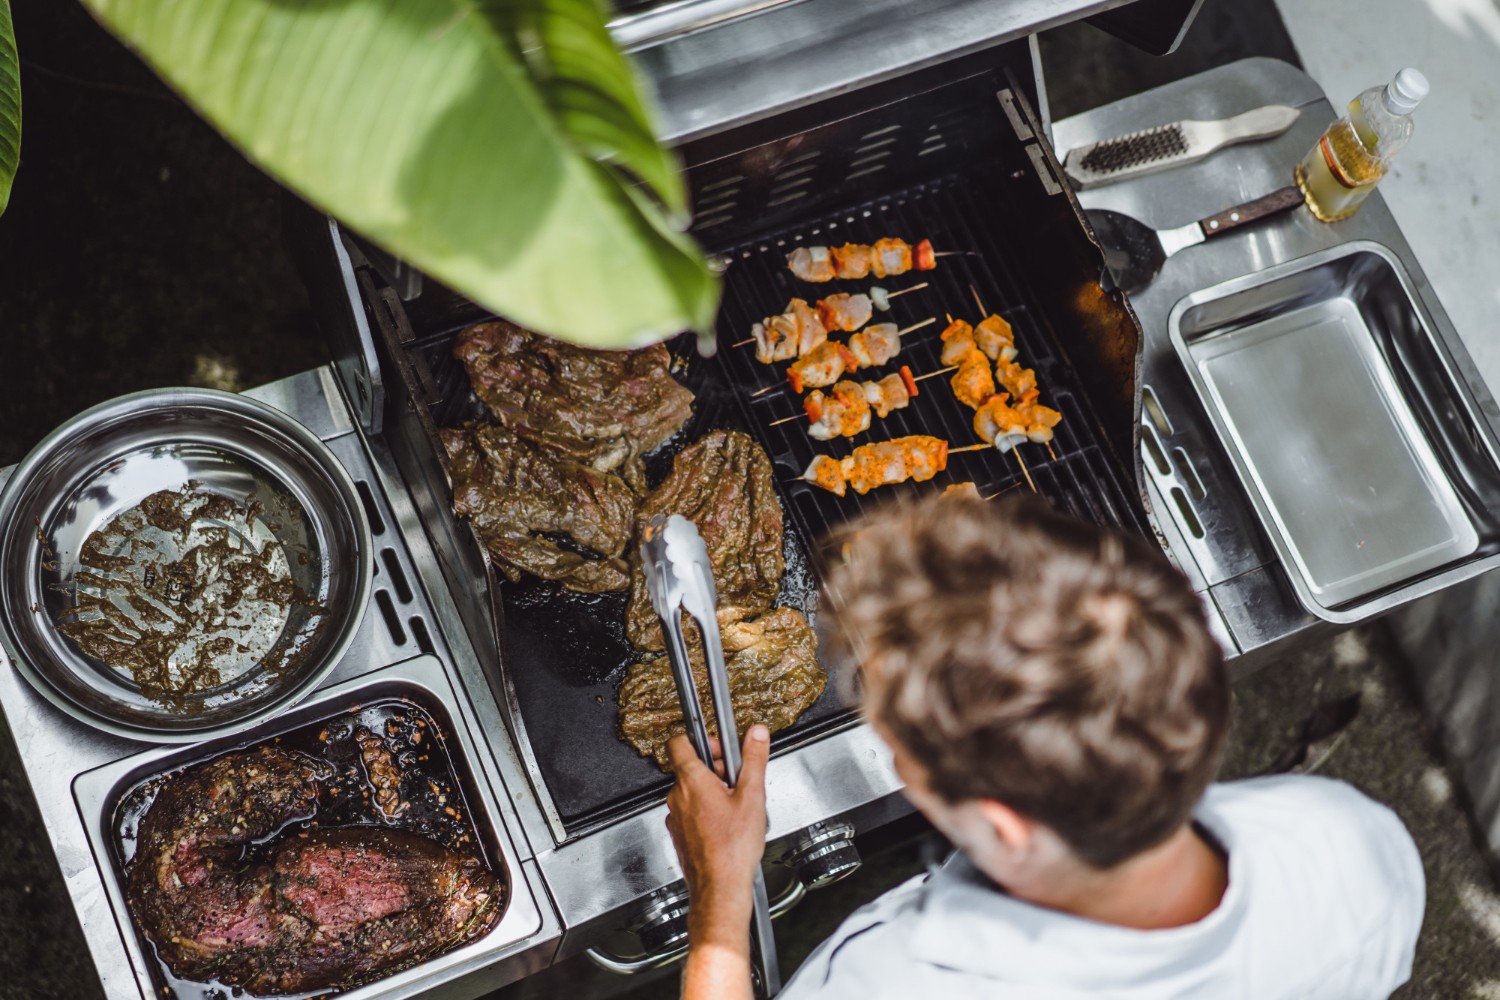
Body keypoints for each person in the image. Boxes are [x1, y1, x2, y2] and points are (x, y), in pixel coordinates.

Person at [664, 495, 1424, 999]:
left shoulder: (891, 983)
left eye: (899, 748)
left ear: (1003, 828)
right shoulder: (1345, 840)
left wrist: (722, 893)